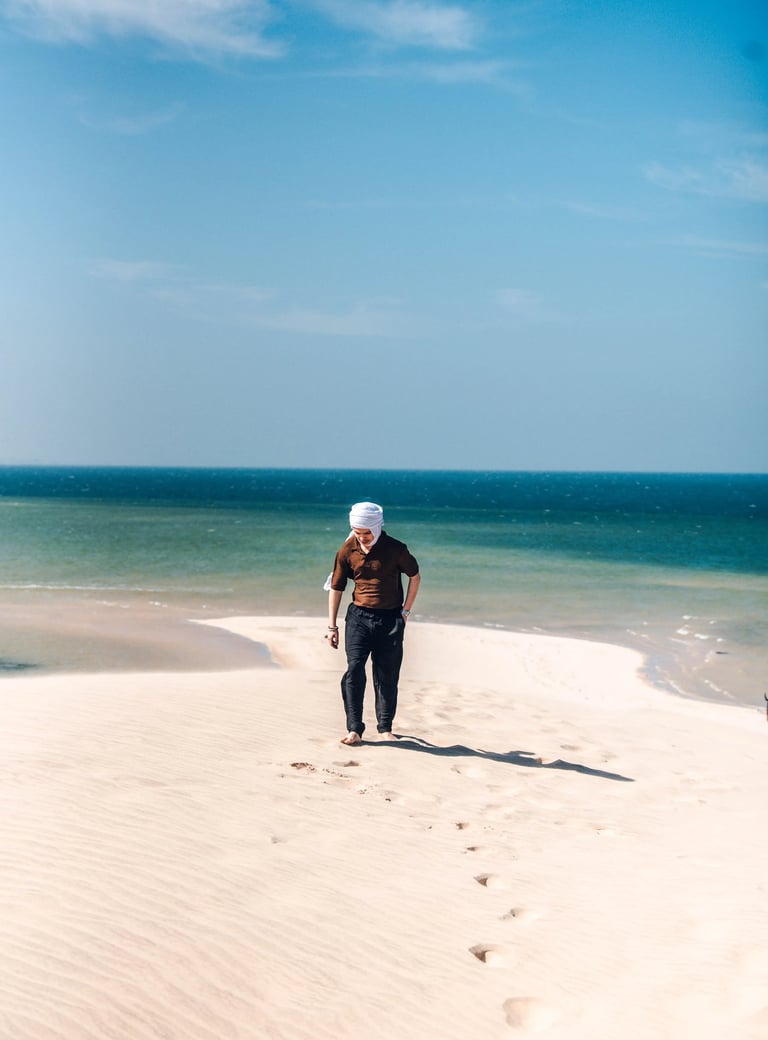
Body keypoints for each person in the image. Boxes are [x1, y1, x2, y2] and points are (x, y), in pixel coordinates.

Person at [326, 501, 420, 745]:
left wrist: (406, 612)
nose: (363, 538)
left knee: (386, 675)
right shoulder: (347, 550)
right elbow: (336, 588)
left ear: (377, 528)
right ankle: (354, 729)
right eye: (358, 533)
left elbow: (415, 576)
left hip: (390, 619)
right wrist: (332, 626)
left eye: (367, 533)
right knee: (354, 669)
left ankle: (385, 727)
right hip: (358, 618)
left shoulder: (396, 549)